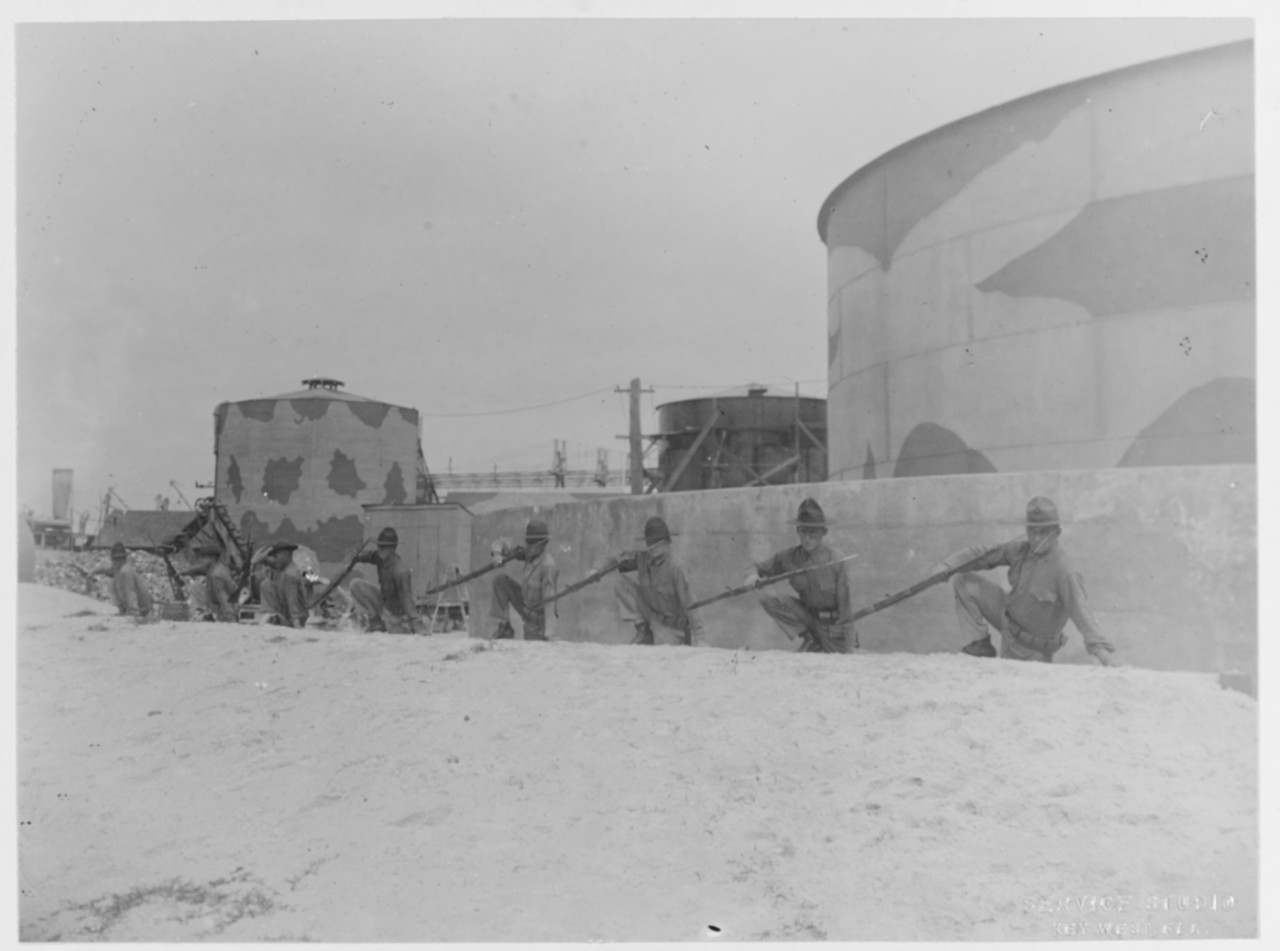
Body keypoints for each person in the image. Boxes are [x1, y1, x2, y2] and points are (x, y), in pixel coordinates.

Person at [935, 496, 1118, 665]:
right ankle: (980, 646)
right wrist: (947, 566)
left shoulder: (1064, 570)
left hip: (1030, 652)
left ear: (1057, 532)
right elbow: (982, 555)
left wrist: (1105, 657)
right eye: (1032, 531)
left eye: (1044, 532)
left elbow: (1082, 614)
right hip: (1006, 620)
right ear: (1026, 530)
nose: (1037, 538)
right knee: (964, 582)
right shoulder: (1021, 550)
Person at [744, 498, 853, 653]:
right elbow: (754, 567)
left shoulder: (836, 559)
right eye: (803, 531)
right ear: (797, 531)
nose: (807, 538)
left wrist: (849, 638)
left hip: (832, 625)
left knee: (843, 658)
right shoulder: (789, 557)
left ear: (823, 532)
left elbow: (845, 606)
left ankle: (822, 645)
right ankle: (809, 639)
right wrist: (752, 577)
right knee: (768, 598)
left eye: (813, 532)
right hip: (806, 619)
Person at [606, 516, 703, 647]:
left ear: (667, 542)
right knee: (619, 581)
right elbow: (618, 559)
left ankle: (654, 636)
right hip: (651, 616)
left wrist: (700, 638)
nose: (653, 546)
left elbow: (691, 604)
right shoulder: (643, 558)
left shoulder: (677, 568)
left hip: (671, 628)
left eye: (658, 542)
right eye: (650, 542)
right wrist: (596, 569)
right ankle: (643, 630)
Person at [490, 519, 558, 641]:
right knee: (500, 580)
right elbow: (503, 548)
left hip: (537, 621)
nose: (528, 546)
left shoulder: (547, 565)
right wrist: (497, 553)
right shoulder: (528, 553)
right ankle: (505, 627)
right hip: (525, 606)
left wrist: (550, 631)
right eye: (527, 542)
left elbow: (549, 600)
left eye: (532, 543)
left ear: (542, 544)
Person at [350, 527, 422, 634]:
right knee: (355, 584)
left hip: (397, 612)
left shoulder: (400, 570)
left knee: (395, 628)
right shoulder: (380, 557)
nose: (379, 549)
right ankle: (375, 621)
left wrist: (415, 623)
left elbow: (407, 598)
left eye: (383, 547)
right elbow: (369, 556)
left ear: (392, 549)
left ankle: (392, 623)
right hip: (384, 603)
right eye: (380, 546)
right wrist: (357, 557)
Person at [257, 541, 309, 628]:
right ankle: (271, 615)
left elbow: (292, 601)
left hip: (294, 617)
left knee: (266, 585)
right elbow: (263, 561)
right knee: (266, 584)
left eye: (276, 557)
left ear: (285, 556)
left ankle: (272, 618)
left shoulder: (290, 574)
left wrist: (296, 624)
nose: (274, 560)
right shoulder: (283, 569)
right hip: (286, 612)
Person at [184, 543, 239, 622]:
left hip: (223, 606)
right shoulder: (216, 566)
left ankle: (206, 614)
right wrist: (185, 572)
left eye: (203, 557)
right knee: (195, 586)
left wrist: (229, 617)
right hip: (218, 602)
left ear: (212, 558)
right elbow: (200, 569)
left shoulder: (216, 575)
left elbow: (223, 597)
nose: (200, 560)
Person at [99, 542, 155, 619]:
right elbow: (108, 570)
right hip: (134, 608)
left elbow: (130, 593)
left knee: (114, 582)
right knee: (111, 581)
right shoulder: (120, 570)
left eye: (116, 560)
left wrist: (133, 612)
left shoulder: (125, 571)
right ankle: (124, 610)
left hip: (143, 610)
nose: (114, 562)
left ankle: (130, 612)